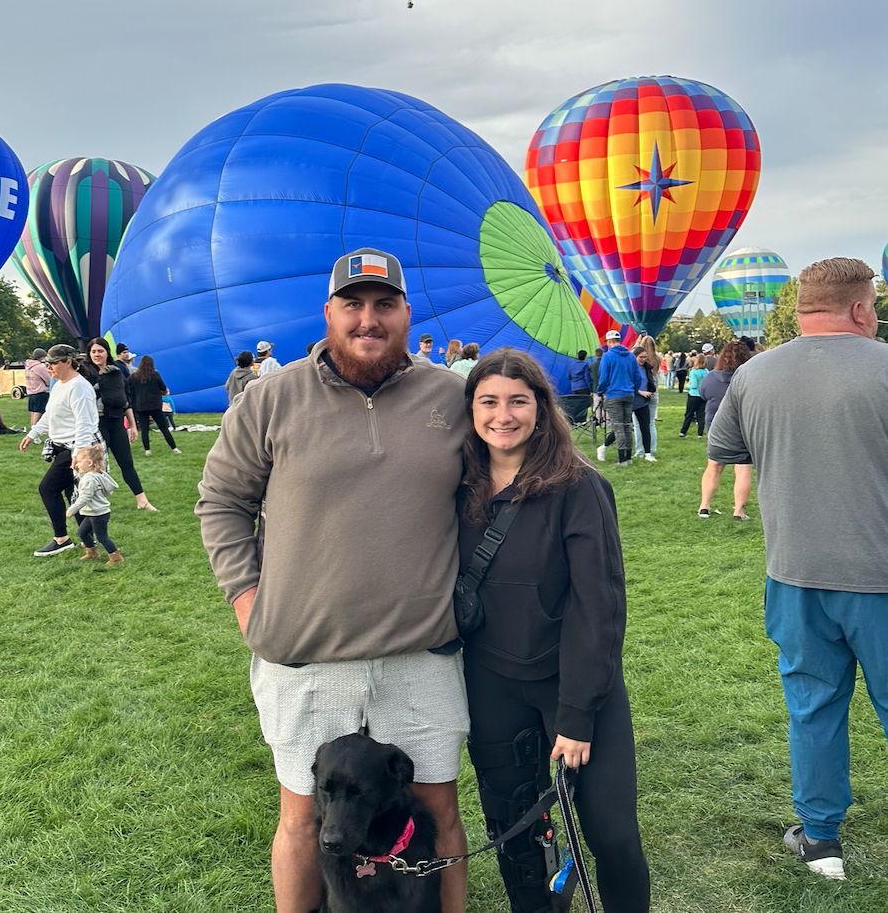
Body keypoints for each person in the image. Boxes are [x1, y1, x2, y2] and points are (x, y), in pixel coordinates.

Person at [196, 247, 470, 913]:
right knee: (302, 819)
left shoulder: (451, 397)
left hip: (421, 655)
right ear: (329, 313)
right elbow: (221, 500)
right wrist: (247, 599)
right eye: (353, 305)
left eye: (384, 305)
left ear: (407, 314)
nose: (368, 320)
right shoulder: (272, 398)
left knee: (437, 810)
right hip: (305, 657)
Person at [708, 257, 888, 881]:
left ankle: (820, 841)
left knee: (813, 707)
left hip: (795, 573)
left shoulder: (752, 374)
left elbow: (726, 450)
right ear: (862, 308)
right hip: (880, 575)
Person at [461, 348, 650, 913]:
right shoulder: (455, 485)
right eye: (488, 401)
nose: (503, 415)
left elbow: (600, 604)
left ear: (542, 408)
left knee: (611, 834)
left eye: (518, 401)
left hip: (574, 685)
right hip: (492, 681)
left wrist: (576, 714)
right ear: (470, 409)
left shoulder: (577, 486)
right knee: (517, 834)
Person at [19, 344, 101, 557]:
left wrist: (78, 455)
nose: (48, 367)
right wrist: (32, 434)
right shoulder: (59, 385)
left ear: (67, 361)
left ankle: (61, 539)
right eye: (46, 363)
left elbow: (85, 424)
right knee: (73, 494)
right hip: (63, 446)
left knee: (48, 488)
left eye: (53, 363)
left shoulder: (79, 387)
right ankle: (89, 540)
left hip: (76, 447)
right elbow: (49, 414)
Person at [84, 337, 158, 512]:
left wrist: (132, 425)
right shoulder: (85, 373)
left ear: (106, 352)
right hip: (97, 424)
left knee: (126, 462)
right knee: (97, 465)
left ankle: (142, 500)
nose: (97, 354)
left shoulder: (117, 371)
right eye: (93, 351)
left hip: (116, 421)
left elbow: (125, 400)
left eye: (100, 351)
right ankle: (94, 505)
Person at [697, 341, 753, 520]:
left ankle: (704, 506)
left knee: (713, 467)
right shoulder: (749, 378)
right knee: (743, 470)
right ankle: (738, 510)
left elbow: (702, 394)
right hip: (741, 430)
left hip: (716, 429)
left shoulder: (710, 377)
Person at [67, 443, 123, 566]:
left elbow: (85, 497)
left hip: (99, 513)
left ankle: (116, 557)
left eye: (79, 461)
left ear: (90, 463)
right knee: (82, 533)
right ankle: (92, 552)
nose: (76, 464)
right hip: (92, 512)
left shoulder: (90, 479)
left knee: (102, 537)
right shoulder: (93, 475)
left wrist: (72, 509)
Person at [595, 330, 640, 465]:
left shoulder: (607, 357)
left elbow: (603, 378)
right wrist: (634, 390)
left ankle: (622, 460)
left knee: (618, 427)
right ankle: (628, 457)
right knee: (627, 426)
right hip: (629, 394)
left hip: (614, 394)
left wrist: (600, 391)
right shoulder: (631, 356)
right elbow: (637, 377)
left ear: (609, 342)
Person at [129, 355, 182, 456]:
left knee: (144, 430)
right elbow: (163, 388)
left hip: (140, 407)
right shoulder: (155, 374)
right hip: (155, 406)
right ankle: (174, 448)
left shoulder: (134, 377)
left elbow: (129, 389)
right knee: (164, 428)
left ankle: (147, 450)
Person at [632, 335, 661, 459]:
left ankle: (639, 451)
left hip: (641, 392)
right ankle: (651, 449)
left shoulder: (639, 358)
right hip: (653, 392)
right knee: (650, 424)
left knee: (638, 424)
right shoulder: (657, 359)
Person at [678, 354, 709, 437]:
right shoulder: (706, 371)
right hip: (703, 395)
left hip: (693, 395)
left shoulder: (693, 372)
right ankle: (700, 433)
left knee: (689, 414)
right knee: (701, 415)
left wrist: (688, 385)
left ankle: (683, 431)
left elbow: (694, 385)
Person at [24, 348, 51, 426]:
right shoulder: (40, 367)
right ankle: (35, 430)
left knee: (33, 411)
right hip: (40, 391)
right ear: (41, 356)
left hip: (31, 391)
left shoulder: (28, 366)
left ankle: (32, 427)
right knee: (39, 412)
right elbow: (48, 379)